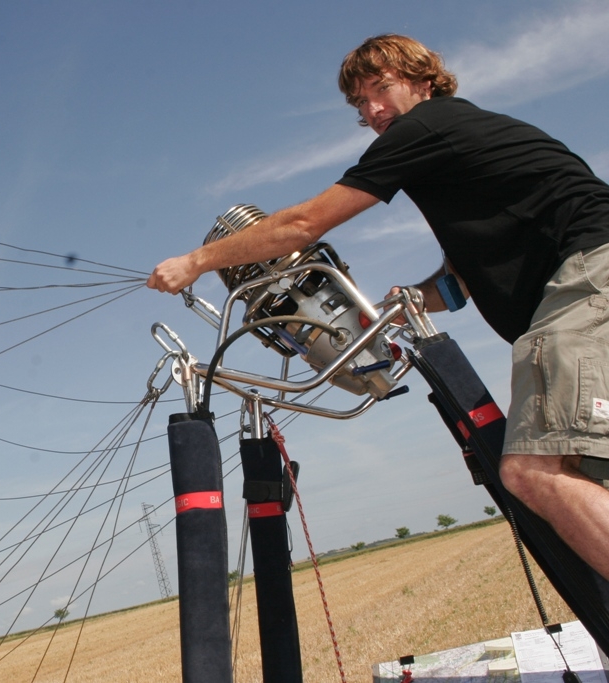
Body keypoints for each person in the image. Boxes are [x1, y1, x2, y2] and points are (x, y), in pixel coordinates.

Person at [147, 34, 609, 581]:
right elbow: (459, 286)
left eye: (381, 89)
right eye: (360, 103)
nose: (373, 110)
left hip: (589, 280)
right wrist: (402, 303)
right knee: (586, 472)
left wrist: (197, 261)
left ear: (424, 81)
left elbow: (303, 225)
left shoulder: (426, 127)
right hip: (585, 279)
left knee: (538, 472)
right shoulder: (460, 152)